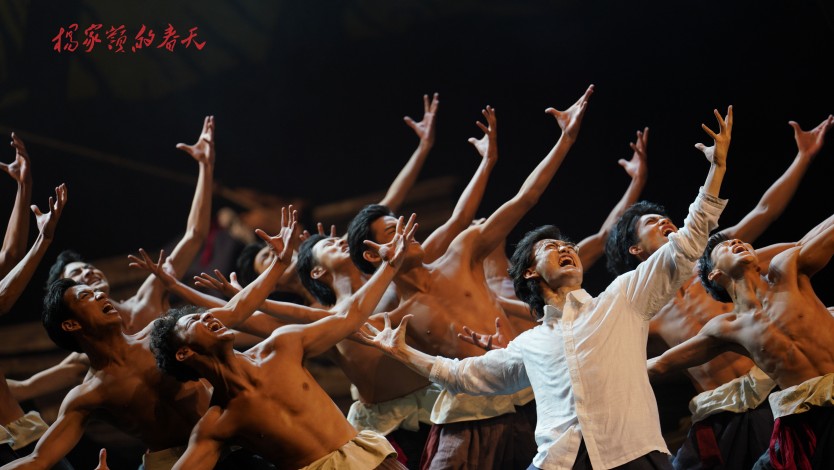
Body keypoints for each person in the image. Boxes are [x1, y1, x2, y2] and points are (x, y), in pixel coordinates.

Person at [357, 105, 731, 469]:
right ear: (531, 273)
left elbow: (687, 243)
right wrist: (402, 351)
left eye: (568, 246)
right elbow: (461, 375)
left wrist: (716, 169)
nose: (566, 249)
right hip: (555, 459)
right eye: (551, 247)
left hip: (633, 454)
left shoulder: (621, 299)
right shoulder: (530, 345)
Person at [346, 86, 593, 469]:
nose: (408, 232)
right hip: (468, 415)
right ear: (370, 253)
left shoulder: (460, 253)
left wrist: (565, 140)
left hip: (530, 396)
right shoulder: (390, 315)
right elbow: (336, 331)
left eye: (405, 225)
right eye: (393, 232)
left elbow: (524, 199)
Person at [605, 114, 833, 469]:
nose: (665, 221)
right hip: (721, 410)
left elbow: (766, 210)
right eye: (651, 222)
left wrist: (802, 157)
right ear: (635, 249)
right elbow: (651, 365)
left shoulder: (718, 259)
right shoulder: (643, 311)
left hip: (774, 386)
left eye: (665, 217)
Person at [0, 209, 298, 470]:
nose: (100, 295)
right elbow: (39, 459)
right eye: (85, 296)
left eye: (96, 291)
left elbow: (234, 310)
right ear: (71, 324)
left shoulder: (158, 332)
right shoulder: (88, 394)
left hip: (228, 440)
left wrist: (278, 264)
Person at [150, 216, 418, 470]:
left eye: (205, 314)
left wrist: (389, 265)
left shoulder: (282, 346)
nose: (208, 317)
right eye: (193, 321)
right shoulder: (218, 422)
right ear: (184, 353)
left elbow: (350, 317)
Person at [647, 213, 834, 469]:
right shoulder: (728, 328)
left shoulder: (788, 268)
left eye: (741, 243)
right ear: (715, 274)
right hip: (803, 423)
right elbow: (660, 364)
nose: (737, 243)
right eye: (724, 247)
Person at [235, 93, 440, 302]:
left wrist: (423, 147)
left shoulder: (343, 254)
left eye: (271, 250)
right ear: (268, 285)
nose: (276, 253)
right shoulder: (309, 315)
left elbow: (389, 201)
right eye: (267, 258)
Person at [46, 116, 217, 334]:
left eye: (87, 267)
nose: (88, 272)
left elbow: (194, 235)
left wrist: (205, 166)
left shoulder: (148, 297)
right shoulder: (94, 346)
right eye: (77, 274)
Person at [0, 164, 67, 465]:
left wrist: (23, 186)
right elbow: (3, 299)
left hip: (22, 429)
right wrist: (43, 241)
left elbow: (9, 257)